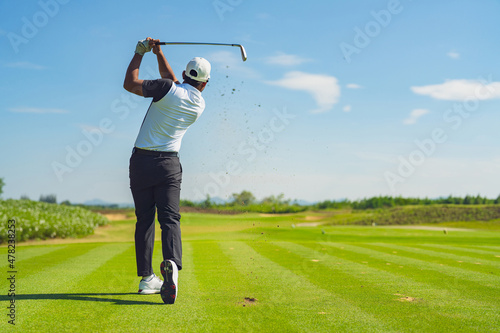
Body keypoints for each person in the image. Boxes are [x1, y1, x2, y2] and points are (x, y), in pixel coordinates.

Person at [123, 37, 210, 304]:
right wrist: (159, 53)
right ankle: (171, 263)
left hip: (141, 162)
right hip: (169, 166)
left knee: (145, 220)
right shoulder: (198, 104)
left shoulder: (166, 88)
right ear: (205, 84)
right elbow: (173, 84)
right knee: (170, 220)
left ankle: (147, 278)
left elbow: (130, 84)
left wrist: (140, 53)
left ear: (185, 74)